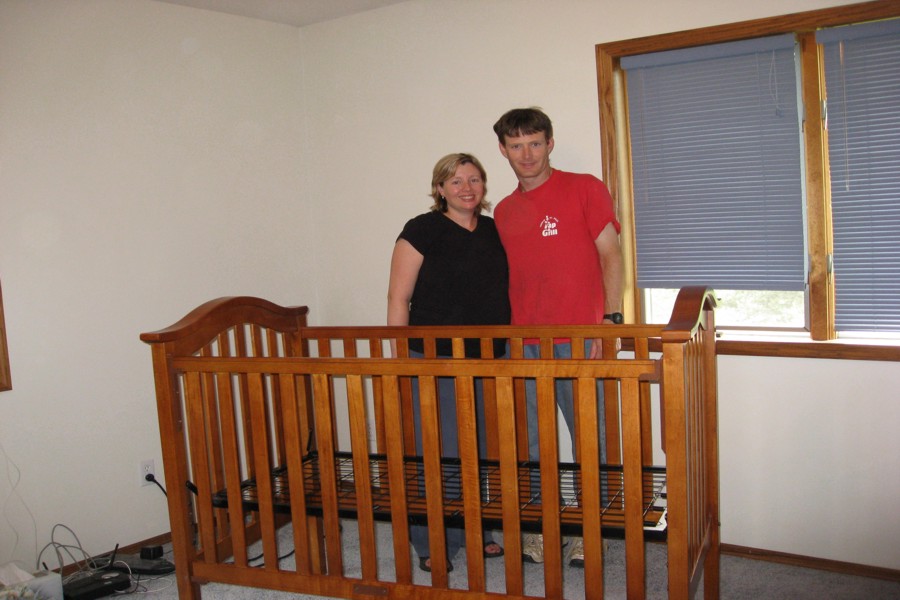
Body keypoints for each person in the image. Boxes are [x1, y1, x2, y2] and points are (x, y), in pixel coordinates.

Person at [492, 107, 624, 567]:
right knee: (528, 443)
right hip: (523, 342)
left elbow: (611, 254)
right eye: (515, 145)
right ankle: (535, 528)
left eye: (534, 142)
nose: (526, 154)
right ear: (504, 151)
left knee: (592, 440)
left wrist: (610, 320)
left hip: (580, 337)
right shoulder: (504, 211)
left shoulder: (585, 187)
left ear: (550, 143)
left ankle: (593, 530)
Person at [387, 152, 510, 573]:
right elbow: (398, 298)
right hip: (433, 357)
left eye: (474, 179)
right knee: (436, 451)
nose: (466, 188)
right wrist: (401, 357)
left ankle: (479, 531)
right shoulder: (421, 230)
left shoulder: (495, 231)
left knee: (479, 449)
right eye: (455, 181)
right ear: (440, 188)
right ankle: (431, 539)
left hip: (488, 358)